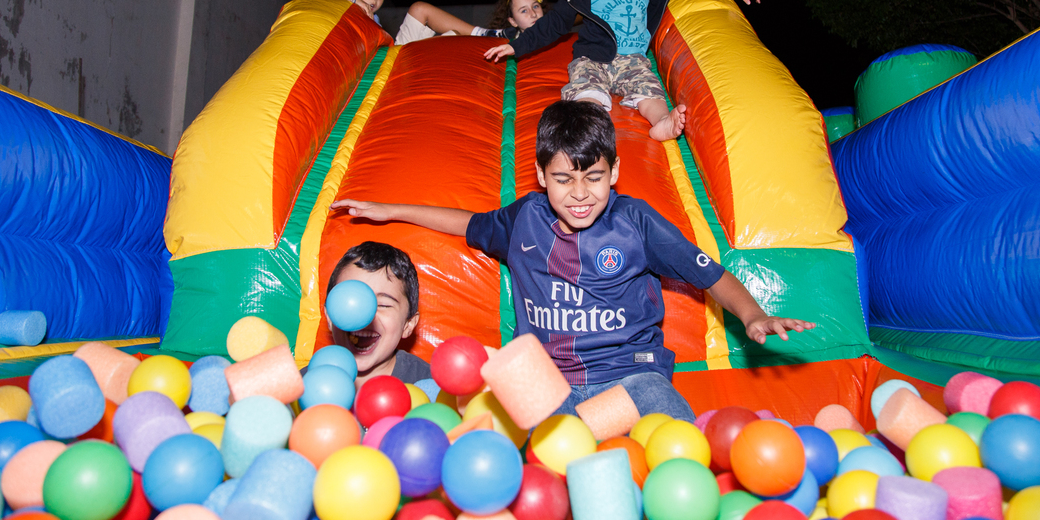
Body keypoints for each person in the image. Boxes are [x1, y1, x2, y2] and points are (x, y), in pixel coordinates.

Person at [332, 101, 813, 420]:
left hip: (632, 376)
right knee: (518, 448)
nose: (580, 194)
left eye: (594, 178)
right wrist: (390, 208)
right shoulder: (523, 221)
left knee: (670, 427)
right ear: (541, 175)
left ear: (615, 172)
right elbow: (468, 222)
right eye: (564, 179)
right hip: (547, 383)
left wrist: (753, 314)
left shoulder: (636, 223)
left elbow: (707, 273)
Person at [483, 0, 760, 142]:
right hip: (593, 57)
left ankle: (662, 122)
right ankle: (590, 121)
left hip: (634, 60)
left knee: (649, 90)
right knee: (585, 89)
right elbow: (555, 23)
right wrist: (515, 47)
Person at [324, 241, 431, 386]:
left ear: (408, 324)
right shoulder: (303, 386)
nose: (364, 316)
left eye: (383, 305)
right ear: (330, 316)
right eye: (351, 301)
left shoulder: (430, 388)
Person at [394, 0, 546, 45]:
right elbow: (421, 10)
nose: (533, 14)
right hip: (399, 64)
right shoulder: (507, 35)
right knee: (419, 9)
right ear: (512, 21)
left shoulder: (557, 29)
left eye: (535, 6)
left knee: (453, 35)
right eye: (524, 10)